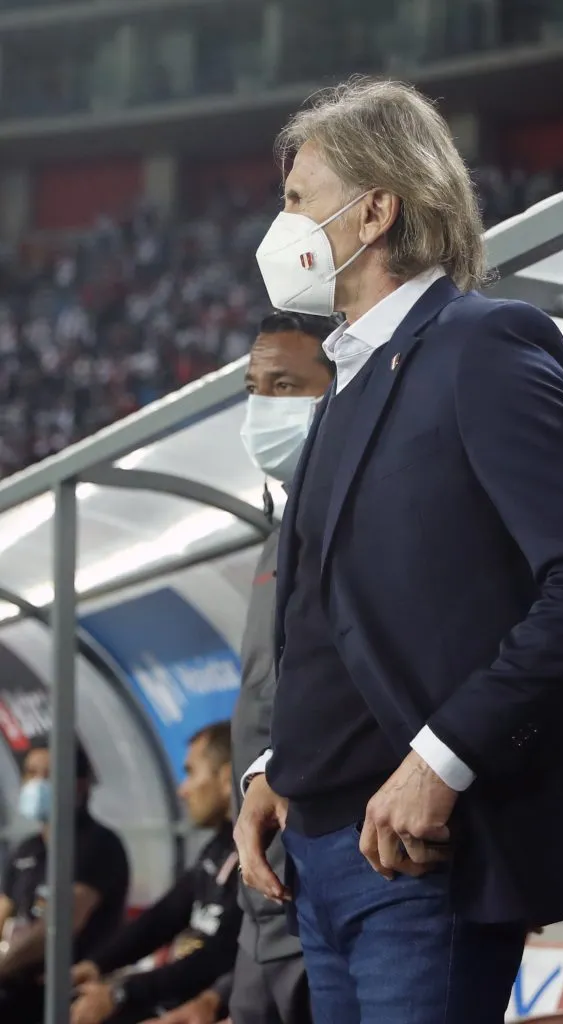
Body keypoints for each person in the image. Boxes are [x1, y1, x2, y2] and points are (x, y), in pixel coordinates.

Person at [234, 77, 563, 1024]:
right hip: (318, 850)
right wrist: (275, 766)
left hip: (417, 855)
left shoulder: (483, 342)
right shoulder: (344, 380)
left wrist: (443, 759)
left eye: (298, 198)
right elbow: (324, 615)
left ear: (375, 208)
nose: (281, 223)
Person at [150, 312, 336, 1024]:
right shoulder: (275, 539)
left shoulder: (364, 527)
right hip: (267, 893)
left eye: (285, 386)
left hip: (324, 871)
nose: (263, 409)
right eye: (254, 389)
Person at [69, 722, 240, 1024]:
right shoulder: (217, 847)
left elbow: (223, 952)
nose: (182, 790)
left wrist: (122, 991)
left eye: (190, 772)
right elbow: (163, 917)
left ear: (227, 778)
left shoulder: (255, 853)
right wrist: (96, 965)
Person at [0, 738, 129, 1024]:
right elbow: (3, 912)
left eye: (50, 775)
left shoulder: (98, 846)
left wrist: (5, 967)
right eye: (31, 774)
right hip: (17, 986)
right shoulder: (27, 850)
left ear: (80, 785)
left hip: (67, 994)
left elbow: (59, 924)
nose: (37, 784)